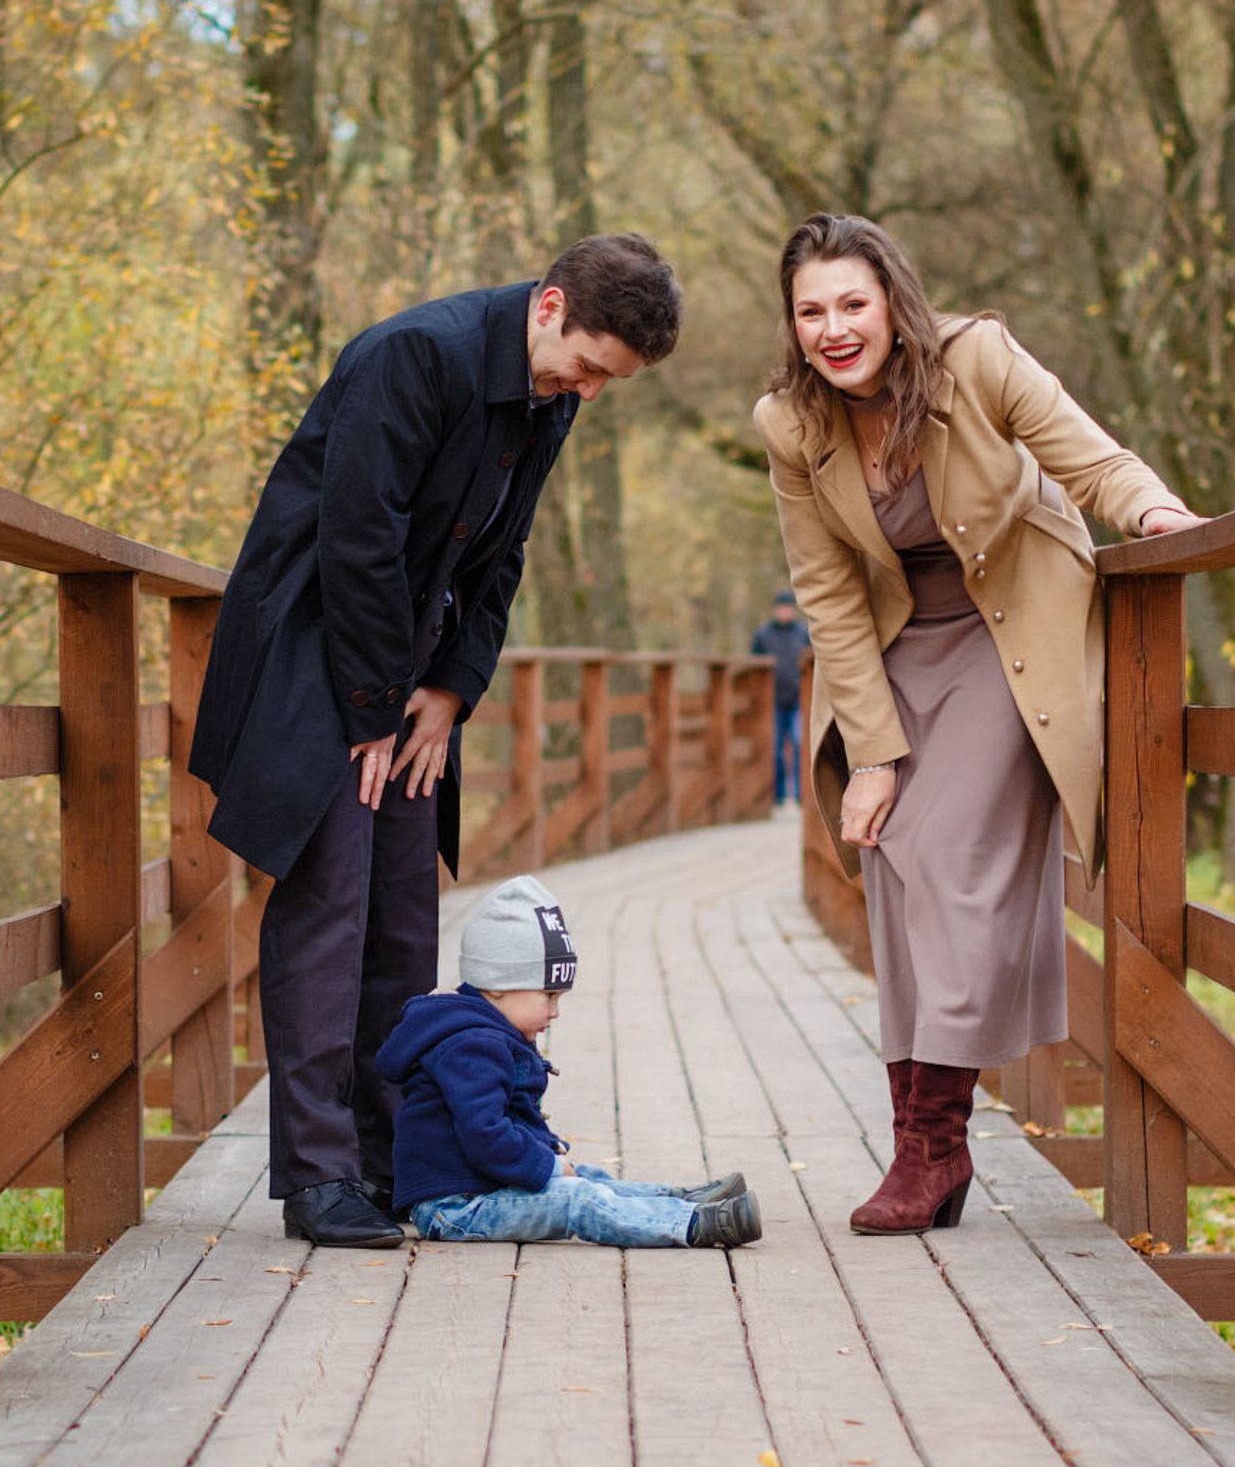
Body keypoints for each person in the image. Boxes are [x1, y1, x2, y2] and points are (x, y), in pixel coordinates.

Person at [190, 236, 683, 1248]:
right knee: (330, 904)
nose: (590, 392)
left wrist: (453, 690)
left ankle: (391, 1162)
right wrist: (372, 706)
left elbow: (502, 558)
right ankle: (319, 1179)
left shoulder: (547, 400)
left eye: (609, 383)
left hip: (408, 676)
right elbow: (356, 537)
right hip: (314, 660)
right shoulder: (414, 356)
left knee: (406, 912)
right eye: (590, 366)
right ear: (548, 307)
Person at [754, 214, 1203, 1235]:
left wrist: (1154, 513)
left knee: (953, 851)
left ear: (893, 301)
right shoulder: (792, 423)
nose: (834, 328)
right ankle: (921, 1138)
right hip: (900, 642)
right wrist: (870, 753)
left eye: (852, 304)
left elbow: (1091, 463)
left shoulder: (976, 360)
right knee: (898, 858)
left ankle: (935, 1143)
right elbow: (825, 594)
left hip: (1015, 628)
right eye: (811, 310)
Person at [381, 877, 761, 1248]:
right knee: (578, 1198)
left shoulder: (488, 1029)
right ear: (497, 983)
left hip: (482, 1186)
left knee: (587, 1177)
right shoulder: (471, 1045)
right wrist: (545, 1166)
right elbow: (485, 1136)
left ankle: (677, 1200)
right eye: (548, 996)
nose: (555, 1011)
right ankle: (690, 1224)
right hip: (456, 1207)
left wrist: (549, 1163)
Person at [750, 589, 811, 803]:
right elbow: (754, 666)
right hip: (772, 701)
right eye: (781, 608)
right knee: (774, 748)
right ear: (776, 610)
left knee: (798, 745)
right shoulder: (763, 634)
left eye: (788, 608)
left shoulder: (803, 633)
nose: (785, 612)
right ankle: (775, 796)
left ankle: (800, 795)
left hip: (797, 699)